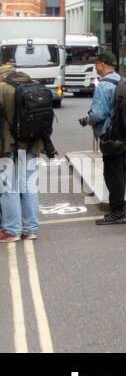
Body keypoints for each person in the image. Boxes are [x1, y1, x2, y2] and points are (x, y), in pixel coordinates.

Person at [0, 64, 53, 243]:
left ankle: (11, 230)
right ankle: (30, 229)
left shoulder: (3, 89)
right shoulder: (34, 85)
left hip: (8, 145)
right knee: (29, 186)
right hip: (32, 143)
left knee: (9, 187)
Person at [86, 52, 126, 225]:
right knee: (121, 172)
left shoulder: (104, 85)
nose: (96, 67)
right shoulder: (122, 80)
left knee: (112, 173)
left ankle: (117, 212)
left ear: (102, 64)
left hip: (111, 135)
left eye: (97, 64)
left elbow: (98, 113)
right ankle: (119, 209)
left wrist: (88, 119)